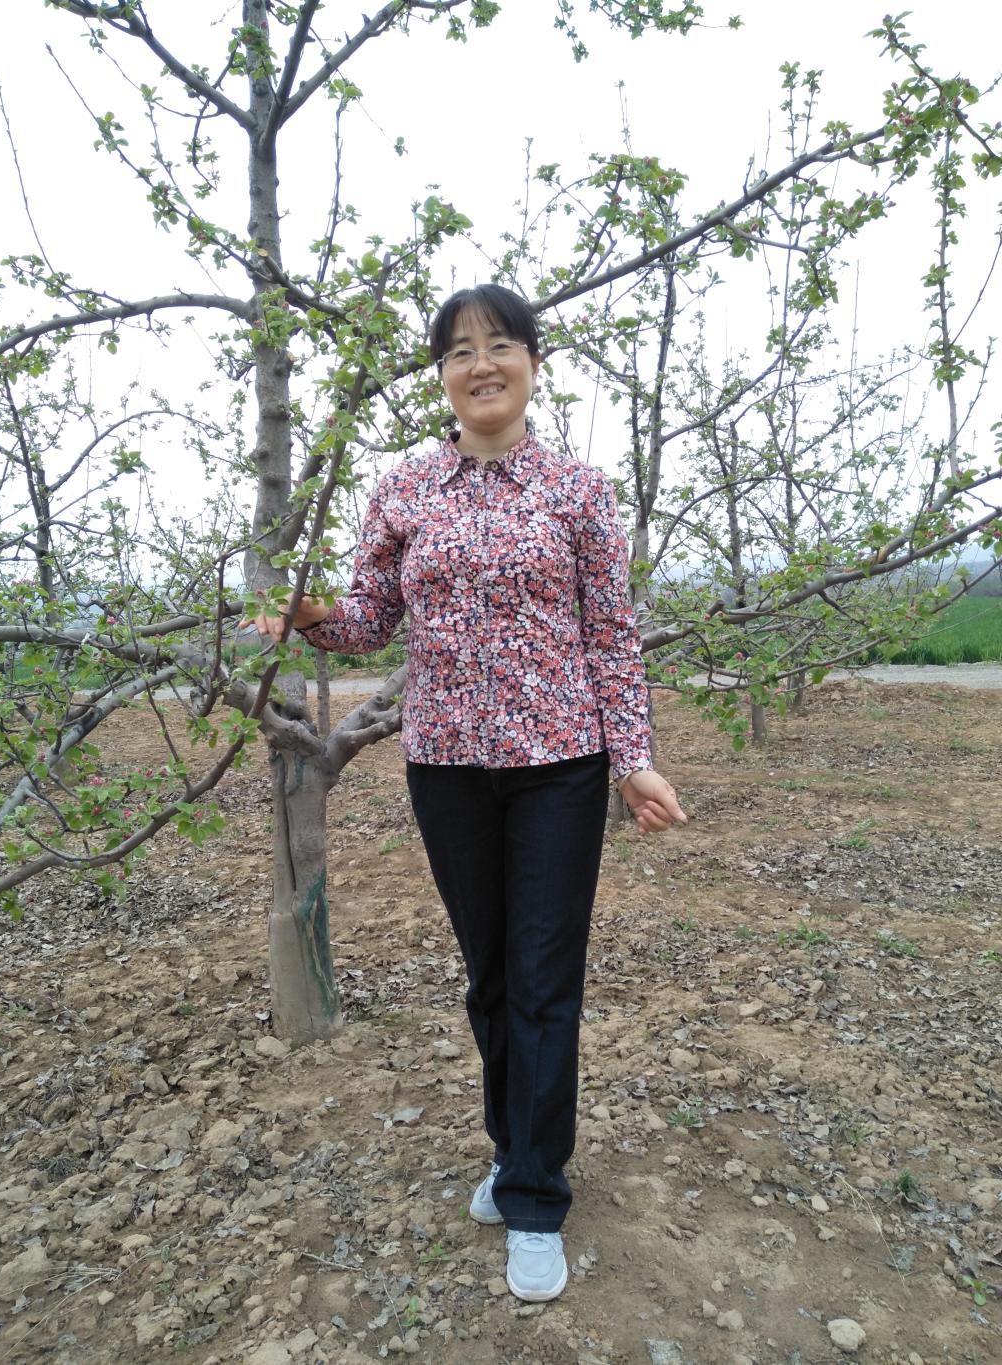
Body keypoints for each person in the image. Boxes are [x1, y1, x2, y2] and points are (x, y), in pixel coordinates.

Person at [244, 283, 687, 1303]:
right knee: (488, 978)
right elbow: (370, 619)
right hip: (445, 766)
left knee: (542, 981)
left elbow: (611, 636)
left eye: (499, 344)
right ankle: (511, 1147)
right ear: (441, 375)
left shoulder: (579, 491)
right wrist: (308, 615)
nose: (480, 364)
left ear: (533, 360)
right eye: (458, 351)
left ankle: (535, 1196)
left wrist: (633, 759)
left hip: (559, 768)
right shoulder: (404, 488)